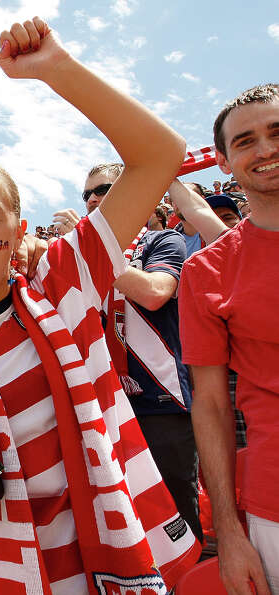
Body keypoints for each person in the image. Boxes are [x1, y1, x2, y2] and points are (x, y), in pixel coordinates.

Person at [0, 17, 200, 593]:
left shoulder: (64, 280)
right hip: (11, 567)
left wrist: (55, 69)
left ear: (17, 232)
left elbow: (161, 153)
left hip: (112, 546)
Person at [179, 83, 279, 595]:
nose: (264, 149)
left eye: (276, 132)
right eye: (245, 141)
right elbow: (212, 405)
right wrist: (229, 531)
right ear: (222, 160)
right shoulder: (206, 272)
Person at [85, 162, 203, 542]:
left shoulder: (162, 240)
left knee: (176, 515)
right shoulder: (78, 254)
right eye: (86, 194)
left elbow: (154, 293)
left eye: (102, 189)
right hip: (105, 404)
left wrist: (99, 252)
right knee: (126, 517)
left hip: (160, 399)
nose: (92, 200)